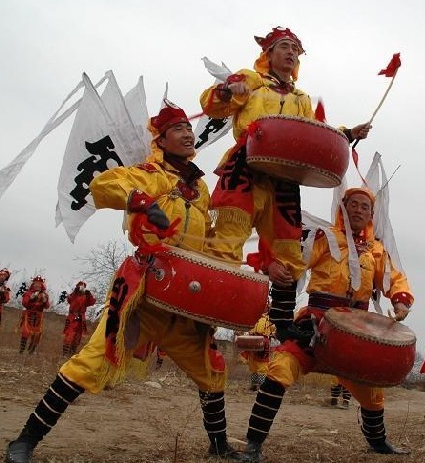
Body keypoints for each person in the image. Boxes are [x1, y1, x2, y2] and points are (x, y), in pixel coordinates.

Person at [5, 102, 244, 463]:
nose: (187, 133)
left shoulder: (200, 188)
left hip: (183, 298)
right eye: (178, 129)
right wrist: (142, 201)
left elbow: (206, 237)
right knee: (90, 362)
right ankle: (24, 441)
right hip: (143, 292)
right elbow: (103, 185)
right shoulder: (147, 173)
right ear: (161, 140)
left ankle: (219, 445)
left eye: (188, 128)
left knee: (210, 370)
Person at [200, 26, 371, 348]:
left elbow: (314, 132)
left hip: (284, 180)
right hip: (246, 169)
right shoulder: (251, 81)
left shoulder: (300, 99)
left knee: (290, 252)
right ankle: (206, 315)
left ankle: (281, 324)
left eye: (295, 49)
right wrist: (226, 90)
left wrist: (348, 133)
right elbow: (214, 106)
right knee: (227, 240)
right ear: (269, 54)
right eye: (284, 47)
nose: (291, 53)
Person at [237, 187, 413, 461]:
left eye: (364, 206)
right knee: (280, 369)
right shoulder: (324, 238)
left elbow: (394, 280)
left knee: (372, 392)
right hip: (318, 325)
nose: (358, 210)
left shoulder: (377, 250)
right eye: (352, 204)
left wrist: (401, 300)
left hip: (358, 333)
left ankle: (378, 442)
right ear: (342, 208)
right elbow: (296, 262)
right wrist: (275, 266)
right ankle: (253, 445)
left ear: (371, 214)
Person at [239, 313, 275, 391]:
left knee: (261, 367)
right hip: (253, 343)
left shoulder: (267, 319)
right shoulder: (256, 318)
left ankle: (261, 386)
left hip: (260, 344)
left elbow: (272, 329)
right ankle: (255, 385)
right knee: (254, 367)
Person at [62, 281, 96, 357]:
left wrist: (89, 294)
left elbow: (92, 302)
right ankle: (64, 354)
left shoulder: (86, 296)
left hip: (81, 319)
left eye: (83, 286)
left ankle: (71, 354)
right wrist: (76, 291)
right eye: (80, 286)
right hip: (72, 318)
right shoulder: (73, 295)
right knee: (69, 336)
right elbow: (71, 301)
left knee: (77, 338)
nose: (82, 288)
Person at [19, 275, 50, 354]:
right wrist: (31, 298)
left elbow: (47, 306)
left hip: (38, 316)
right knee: (25, 332)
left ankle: (31, 351)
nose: (37, 285)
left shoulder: (44, 295)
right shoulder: (28, 293)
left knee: (37, 334)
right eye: (36, 284)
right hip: (28, 314)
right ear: (33, 284)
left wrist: (44, 300)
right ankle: (21, 350)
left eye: (39, 284)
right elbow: (24, 303)